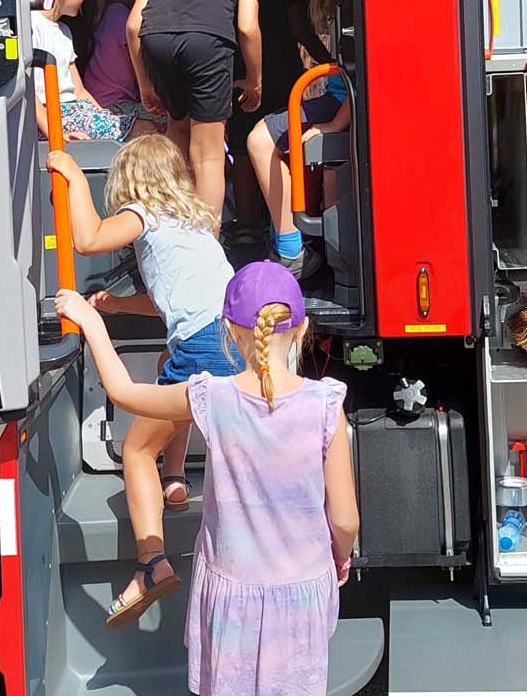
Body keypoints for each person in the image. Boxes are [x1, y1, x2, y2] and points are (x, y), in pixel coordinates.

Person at [55, 260, 359, 696]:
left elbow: (124, 393)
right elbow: (344, 520)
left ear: (229, 331)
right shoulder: (326, 404)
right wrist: (340, 559)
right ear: (302, 328)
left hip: (230, 595)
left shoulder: (211, 396)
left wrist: (91, 321)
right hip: (301, 593)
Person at [45, 134, 244, 628]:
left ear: (131, 180)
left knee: (136, 450)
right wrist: (118, 305)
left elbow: (88, 239)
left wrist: (74, 177)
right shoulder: (195, 224)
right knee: (165, 365)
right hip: (233, 341)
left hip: (203, 347)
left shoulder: (143, 212)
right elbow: (170, 304)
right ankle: (173, 481)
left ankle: (151, 564)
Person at [128, 0, 268, 220]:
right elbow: (247, 26)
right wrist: (255, 81)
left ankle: (169, 224)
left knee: (177, 130)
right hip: (208, 40)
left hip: (156, 36)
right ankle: (207, 241)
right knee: (208, 153)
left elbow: (134, 25)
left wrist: (145, 85)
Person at [245, 0, 351, 279]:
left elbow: (364, 78)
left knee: (259, 140)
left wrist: (336, 123)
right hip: (336, 99)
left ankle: (291, 251)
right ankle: (298, 245)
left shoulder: (357, 0)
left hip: (339, 103)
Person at [26, 0, 136, 142]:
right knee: (142, 127)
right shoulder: (32, 26)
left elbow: (80, 90)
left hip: (75, 109)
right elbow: (30, 92)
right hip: (53, 113)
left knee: (136, 125)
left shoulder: (64, 31)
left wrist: (105, 117)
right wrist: (56, 134)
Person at [80, 0, 153, 115]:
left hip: (98, 100)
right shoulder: (124, 20)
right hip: (115, 104)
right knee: (171, 120)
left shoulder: (105, 13)